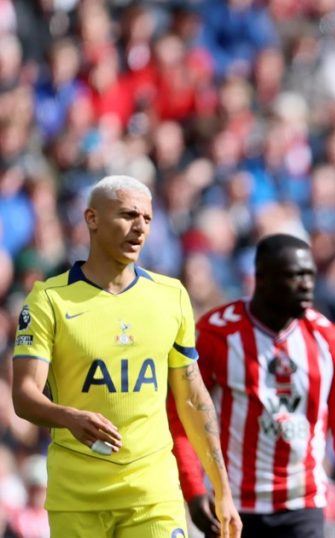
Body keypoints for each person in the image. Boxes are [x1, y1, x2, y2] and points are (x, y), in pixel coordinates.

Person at [10, 175, 242, 538]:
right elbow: (24, 395)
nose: (140, 228)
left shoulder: (171, 296)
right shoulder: (49, 300)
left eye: (147, 219)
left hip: (153, 494)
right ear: (92, 219)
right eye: (128, 215)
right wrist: (66, 416)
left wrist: (222, 490)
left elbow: (194, 400)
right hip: (77, 497)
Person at [168, 234, 335, 538]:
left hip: (303, 505)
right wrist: (193, 490)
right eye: (293, 275)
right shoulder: (216, 334)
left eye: (309, 275)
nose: (306, 285)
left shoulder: (330, 341)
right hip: (232, 505)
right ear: (261, 279)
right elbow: (182, 414)